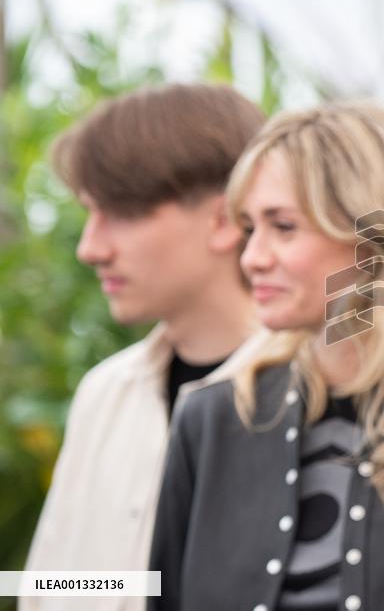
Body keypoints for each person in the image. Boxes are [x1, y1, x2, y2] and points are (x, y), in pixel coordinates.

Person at [150, 104, 384, 611]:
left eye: (283, 227)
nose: (252, 258)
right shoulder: (212, 419)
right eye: (250, 229)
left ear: (373, 237)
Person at [24, 84, 268, 611]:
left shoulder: (308, 399)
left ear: (225, 219)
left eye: (120, 212)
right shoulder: (106, 395)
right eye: (89, 213)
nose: (90, 248)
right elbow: (47, 586)